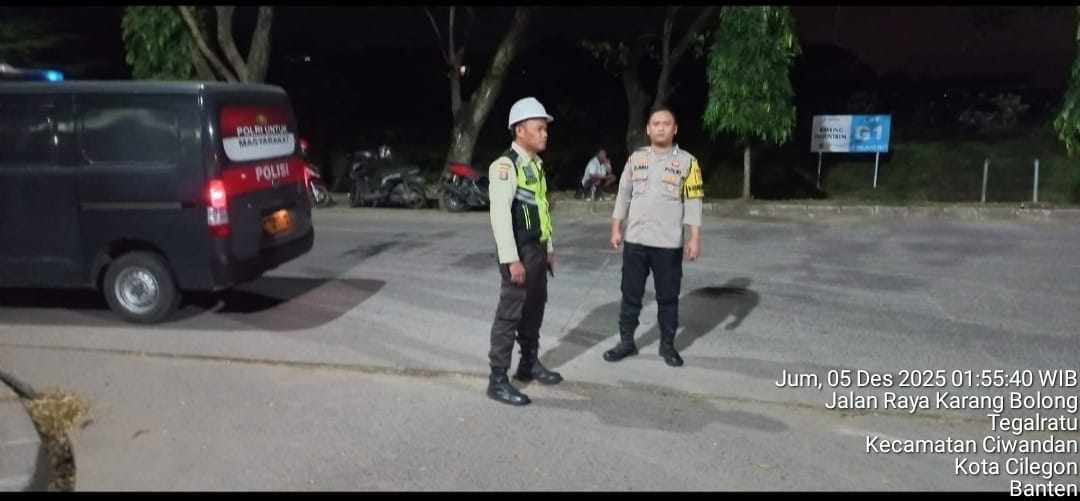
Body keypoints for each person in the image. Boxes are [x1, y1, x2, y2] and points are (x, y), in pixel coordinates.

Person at [606, 105, 705, 368]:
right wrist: (616, 227)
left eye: (666, 124)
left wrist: (694, 237)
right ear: (648, 130)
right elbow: (623, 194)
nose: (661, 128)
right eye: (656, 124)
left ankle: (668, 346)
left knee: (668, 297)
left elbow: (693, 201)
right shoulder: (636, 159)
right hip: (636, 240)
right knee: (630, 294)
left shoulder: (689, 163)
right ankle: (626, 342)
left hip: (668, 244)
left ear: (675, 129)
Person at [485, 96, 563, 406]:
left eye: (545, 129)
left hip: (537, 249)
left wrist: (549, 248)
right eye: (538, 128)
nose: (544, 134)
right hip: (518, 251)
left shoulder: (536, 164)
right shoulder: (506, 166)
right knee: (510, 314)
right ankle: (497, 380)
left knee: (534, 309)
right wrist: (511, 259)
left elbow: (542, 209)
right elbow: (500, 217)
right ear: (519, 131)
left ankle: (528, 364)